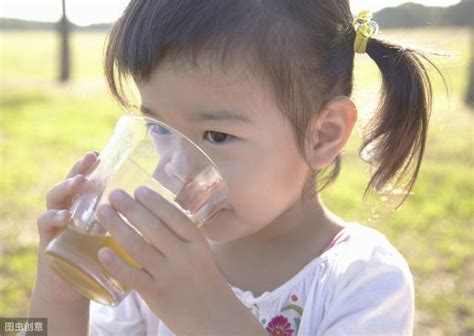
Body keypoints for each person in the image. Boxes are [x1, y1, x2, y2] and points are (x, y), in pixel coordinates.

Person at [29, 1, 440, 335]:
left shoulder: (363, 281)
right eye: (159, 129)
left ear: (323, 135)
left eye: (216, 136)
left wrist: (207, 316)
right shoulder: (147, 254)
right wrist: (59, 296)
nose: (171, 171)